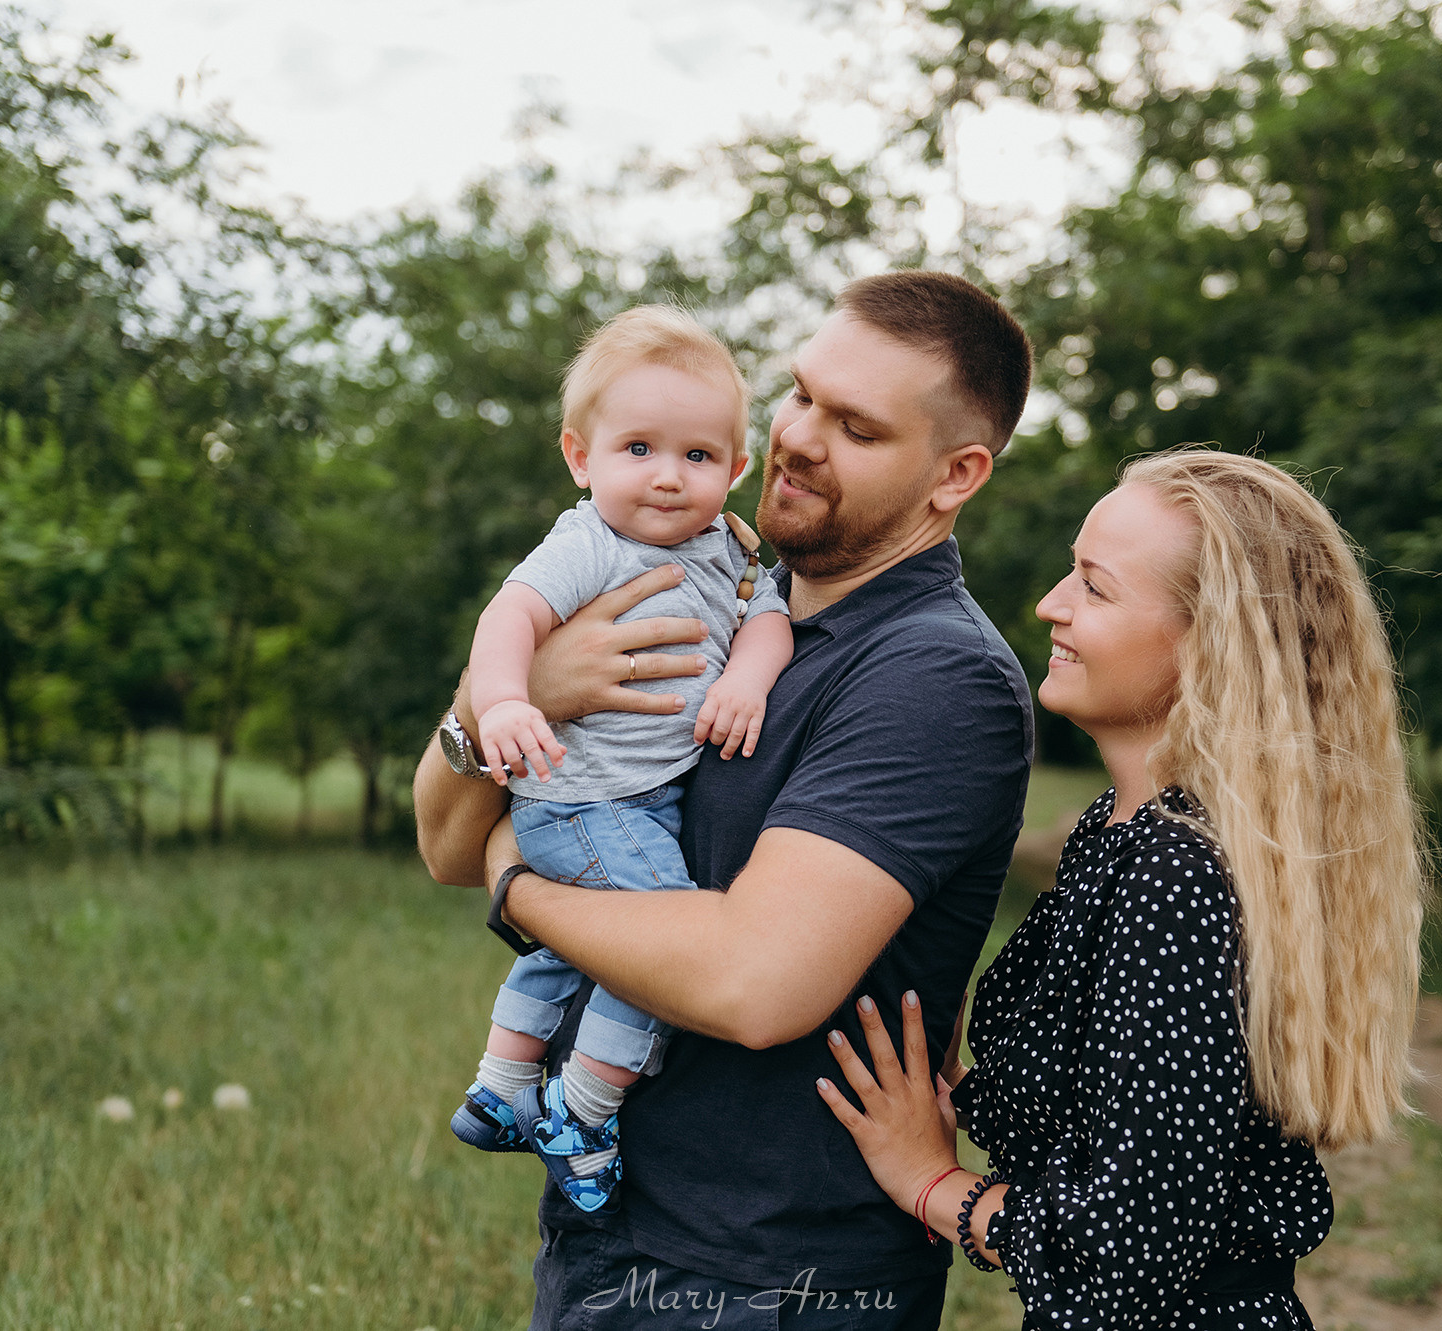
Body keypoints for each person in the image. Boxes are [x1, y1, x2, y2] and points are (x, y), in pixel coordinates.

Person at [414, 270, 1036, 1328]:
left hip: (770, 1273)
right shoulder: (710, 583)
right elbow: (439, 837)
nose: (795, 437)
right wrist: (518, 698)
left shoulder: (933, 677)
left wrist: (518, 888)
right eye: (798, 394)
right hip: (613, 1232)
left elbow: (756, 982)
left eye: (855, 426)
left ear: (953, 474)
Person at [815, 448, 1427, 1329]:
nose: (1050, 605)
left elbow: (1122, 1255)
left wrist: (932, 1182)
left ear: (1208, 643)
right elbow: (1124, 1121)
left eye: (1094, 589)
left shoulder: (1174, 873)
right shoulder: (1123, 832)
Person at [450, 305, 795, 1216]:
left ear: (737, 467)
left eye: (697, 456)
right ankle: (584, 1105)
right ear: (580, 456)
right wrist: (509, 699)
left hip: (635, 802)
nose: (669, 478)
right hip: (586, 799)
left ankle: (502, 1083)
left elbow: (767, 621)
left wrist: (749, 681)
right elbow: (507, 620)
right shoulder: (589, 544)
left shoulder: (728, 548)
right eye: (637, 448)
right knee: (670, 948)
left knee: (575, 951)